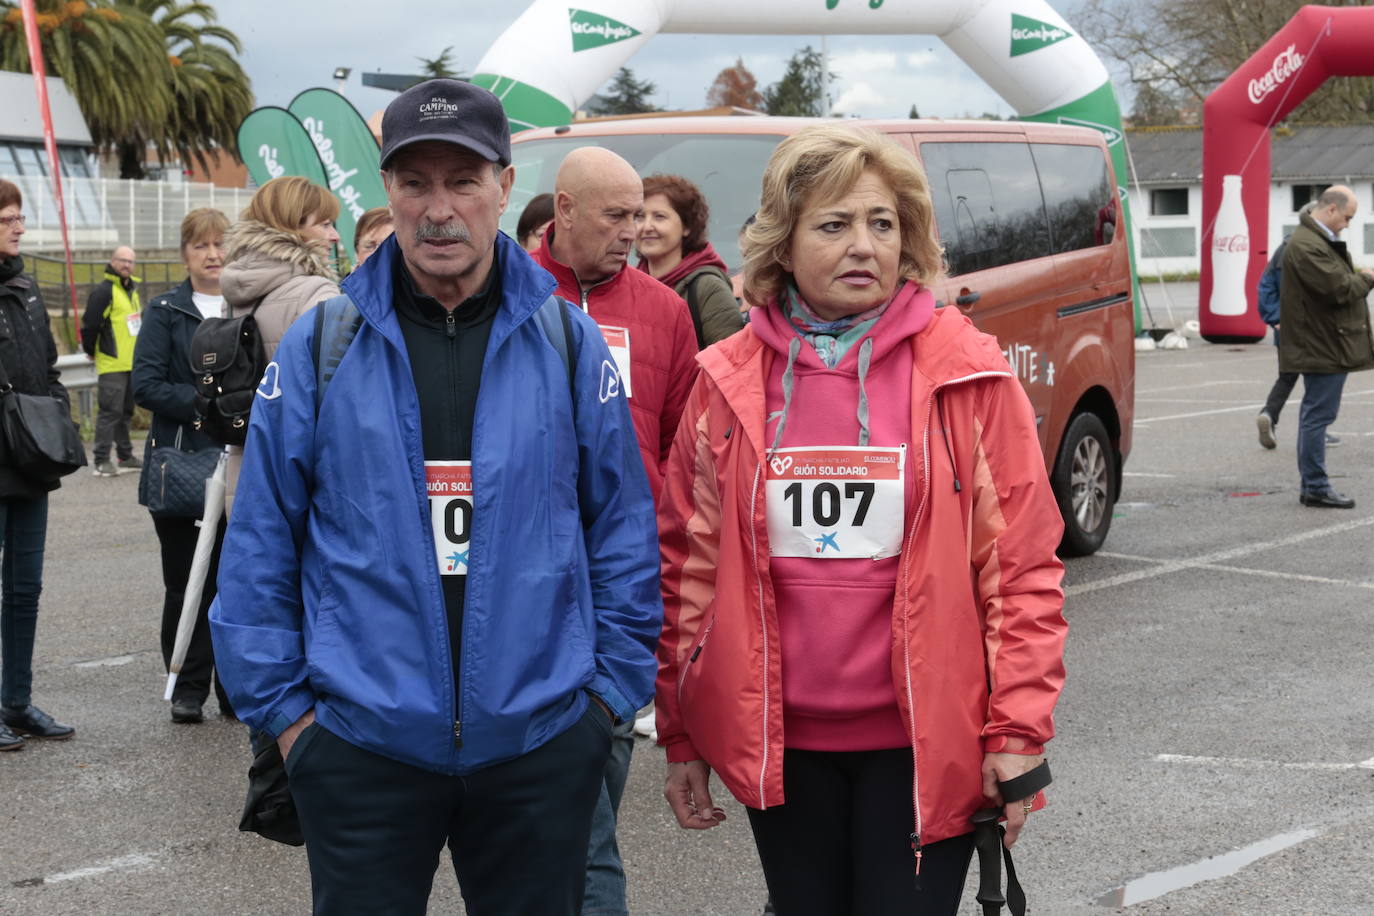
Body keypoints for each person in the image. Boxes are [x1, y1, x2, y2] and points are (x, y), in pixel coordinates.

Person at [209, 78, 661, 915]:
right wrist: (290, 720)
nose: (438, 208)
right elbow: (262, 540)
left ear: (504, 186)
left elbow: (622, 531)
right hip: (359, 746)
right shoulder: (322, 343)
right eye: (414, 183)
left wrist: (604, 702)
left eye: (462, 181)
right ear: (387, 192)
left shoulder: (568, 341)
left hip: (540, 744)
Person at [654, 125, 1068, 915]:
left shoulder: (969, 377)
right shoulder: (725, 383)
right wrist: (679, 730)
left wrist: (1018, 734)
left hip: (924, 745)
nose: (863, 245)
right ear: (783, 240)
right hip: (782, 747)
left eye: (882, 223)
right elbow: (686, 571)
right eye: (834, 224)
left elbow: (1020, 571)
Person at [530, 147, 698, 916]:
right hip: (528, 580)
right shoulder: (514, 295)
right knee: (538, 816)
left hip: (625, 580)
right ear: (562, 210)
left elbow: (682, 446)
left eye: (640, 216)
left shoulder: (664, 309)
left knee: (598, 788)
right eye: (615, 216)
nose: (634, 231)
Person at [131, 208, 234, 725]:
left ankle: (234, 688)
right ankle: (187, 686)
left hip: (240, 464)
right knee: (186, 581)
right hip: (181, 464)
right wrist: (205, 403)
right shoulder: (165, 311)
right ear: (184, 254)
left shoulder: (245, 304)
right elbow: (144, 384)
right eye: (201, 246)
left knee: (237, 579)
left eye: (220, 245)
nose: (212, 255)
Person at [0, 179, 75, 750]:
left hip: (30, 460)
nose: (19, 228)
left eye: (19, 217)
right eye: (7, 219)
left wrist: (57, 415)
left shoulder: (24, 287)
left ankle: (16, 701)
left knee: (25, 589)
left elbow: (49, 368)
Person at [218, 175, 341, 515]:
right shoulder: (317, 293)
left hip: (246, 470)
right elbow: (337, 400)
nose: (334, 236)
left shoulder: (233, 294)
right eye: (326, 224)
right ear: (294, 226)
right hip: (306, 477)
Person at [1278, 185, 1374, 509]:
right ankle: (1316, 486)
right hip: (1322, 345)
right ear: (1331, 209)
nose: (1348, 224)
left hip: (1323, 342)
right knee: (1317, 417)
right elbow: (1339, 289)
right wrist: (1368, 277)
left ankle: (1313, 485)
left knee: (1316, 415)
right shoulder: (1307, 245)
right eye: (1347, 217)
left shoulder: (1314, 240)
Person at [637, 173, 744, 347]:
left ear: (687, 226)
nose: (647, 227)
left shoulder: (707, 288)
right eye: (639, 217)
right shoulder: (625, 285)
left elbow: (730, 364)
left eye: (659, 217)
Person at [81, 244, 142, 477]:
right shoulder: (104, 291)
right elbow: (90, 324)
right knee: (110, 412)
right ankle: (101, 459)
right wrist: (91, 350)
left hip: (130, 362)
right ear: (112, 262)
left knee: (126, 412)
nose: (126, 265)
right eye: (122, 260)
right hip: (112, 362)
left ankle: (125, 456)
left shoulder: (132, 290)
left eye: (130, 261)